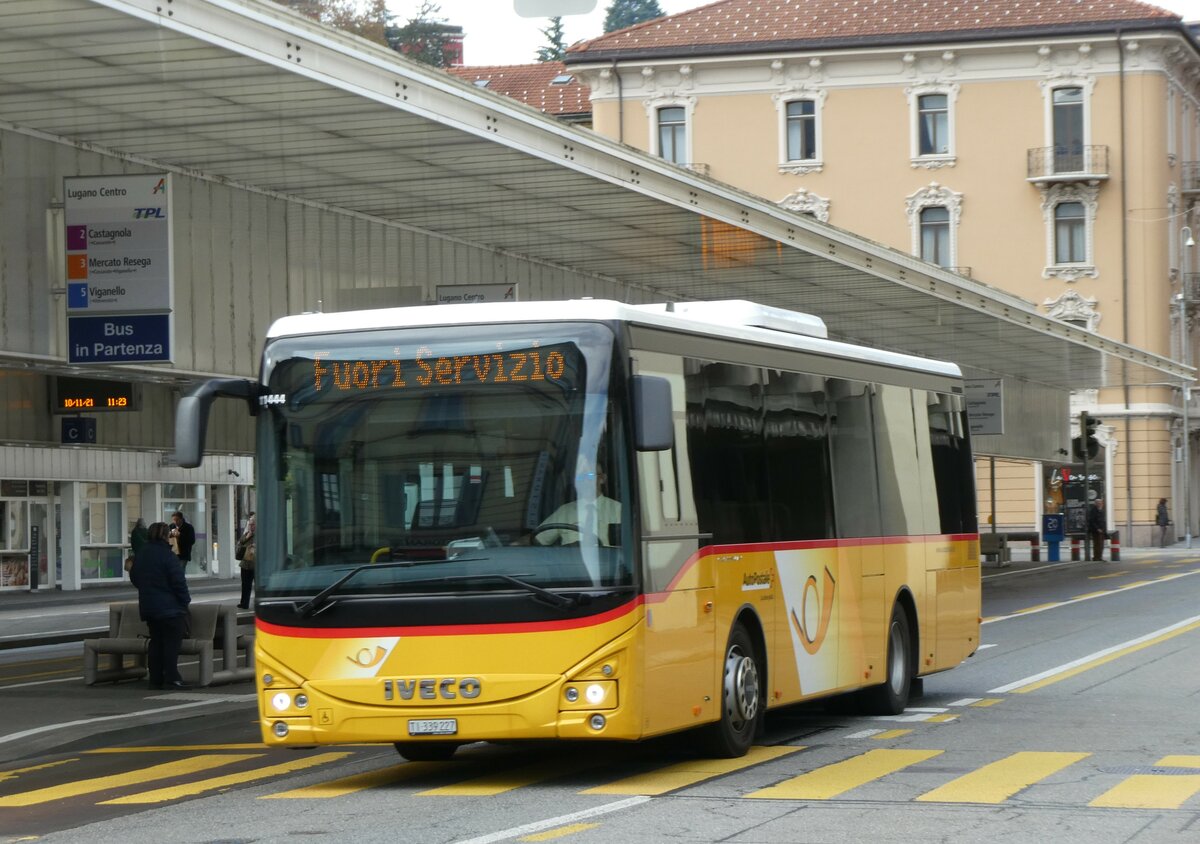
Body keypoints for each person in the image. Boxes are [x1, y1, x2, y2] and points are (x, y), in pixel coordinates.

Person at [129, 521, 192, 690]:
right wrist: (185, 601)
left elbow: (135, 577)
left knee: (156, 642)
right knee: (171, 643)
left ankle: (155, 679)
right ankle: (172, 677)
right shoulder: (167, 555)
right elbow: (178, 581)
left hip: (149, 606)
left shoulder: (142, 553)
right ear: (166, 536)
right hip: (170, 608)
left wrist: (148, 589)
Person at [533, 462, 621, 546]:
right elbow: (537, 539)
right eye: (580, 477)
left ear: (602, 479)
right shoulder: (565, 511)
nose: (584, 481)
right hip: (571, 560)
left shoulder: (619, 510)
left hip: (608, 560)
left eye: (589, 476)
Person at [236, 513, 256, 609]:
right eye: (250, 524)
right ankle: (244, 603)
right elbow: (240, 544)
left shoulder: (261, 535)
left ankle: (258, 603)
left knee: (258, 586)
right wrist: (248, 537)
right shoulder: (246, 534)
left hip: (256, 564)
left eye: (253, 524)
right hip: (245, 564)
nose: (251, 526)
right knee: (245, 585)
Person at [1087, 497, 1107, 562]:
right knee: (1097, 544)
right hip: (1096, 531)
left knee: (1101, 544)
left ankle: (1099, 557)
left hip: (1102, 530)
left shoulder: (1101, 510)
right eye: (1098, 503)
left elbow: (1103, 520)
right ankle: (1096, 557)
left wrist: (1104, 529)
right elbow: (1092, 521)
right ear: (1095, 504)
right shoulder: (1093, 510)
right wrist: (1097, 528)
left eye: (1101, 503)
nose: (1100, 504)